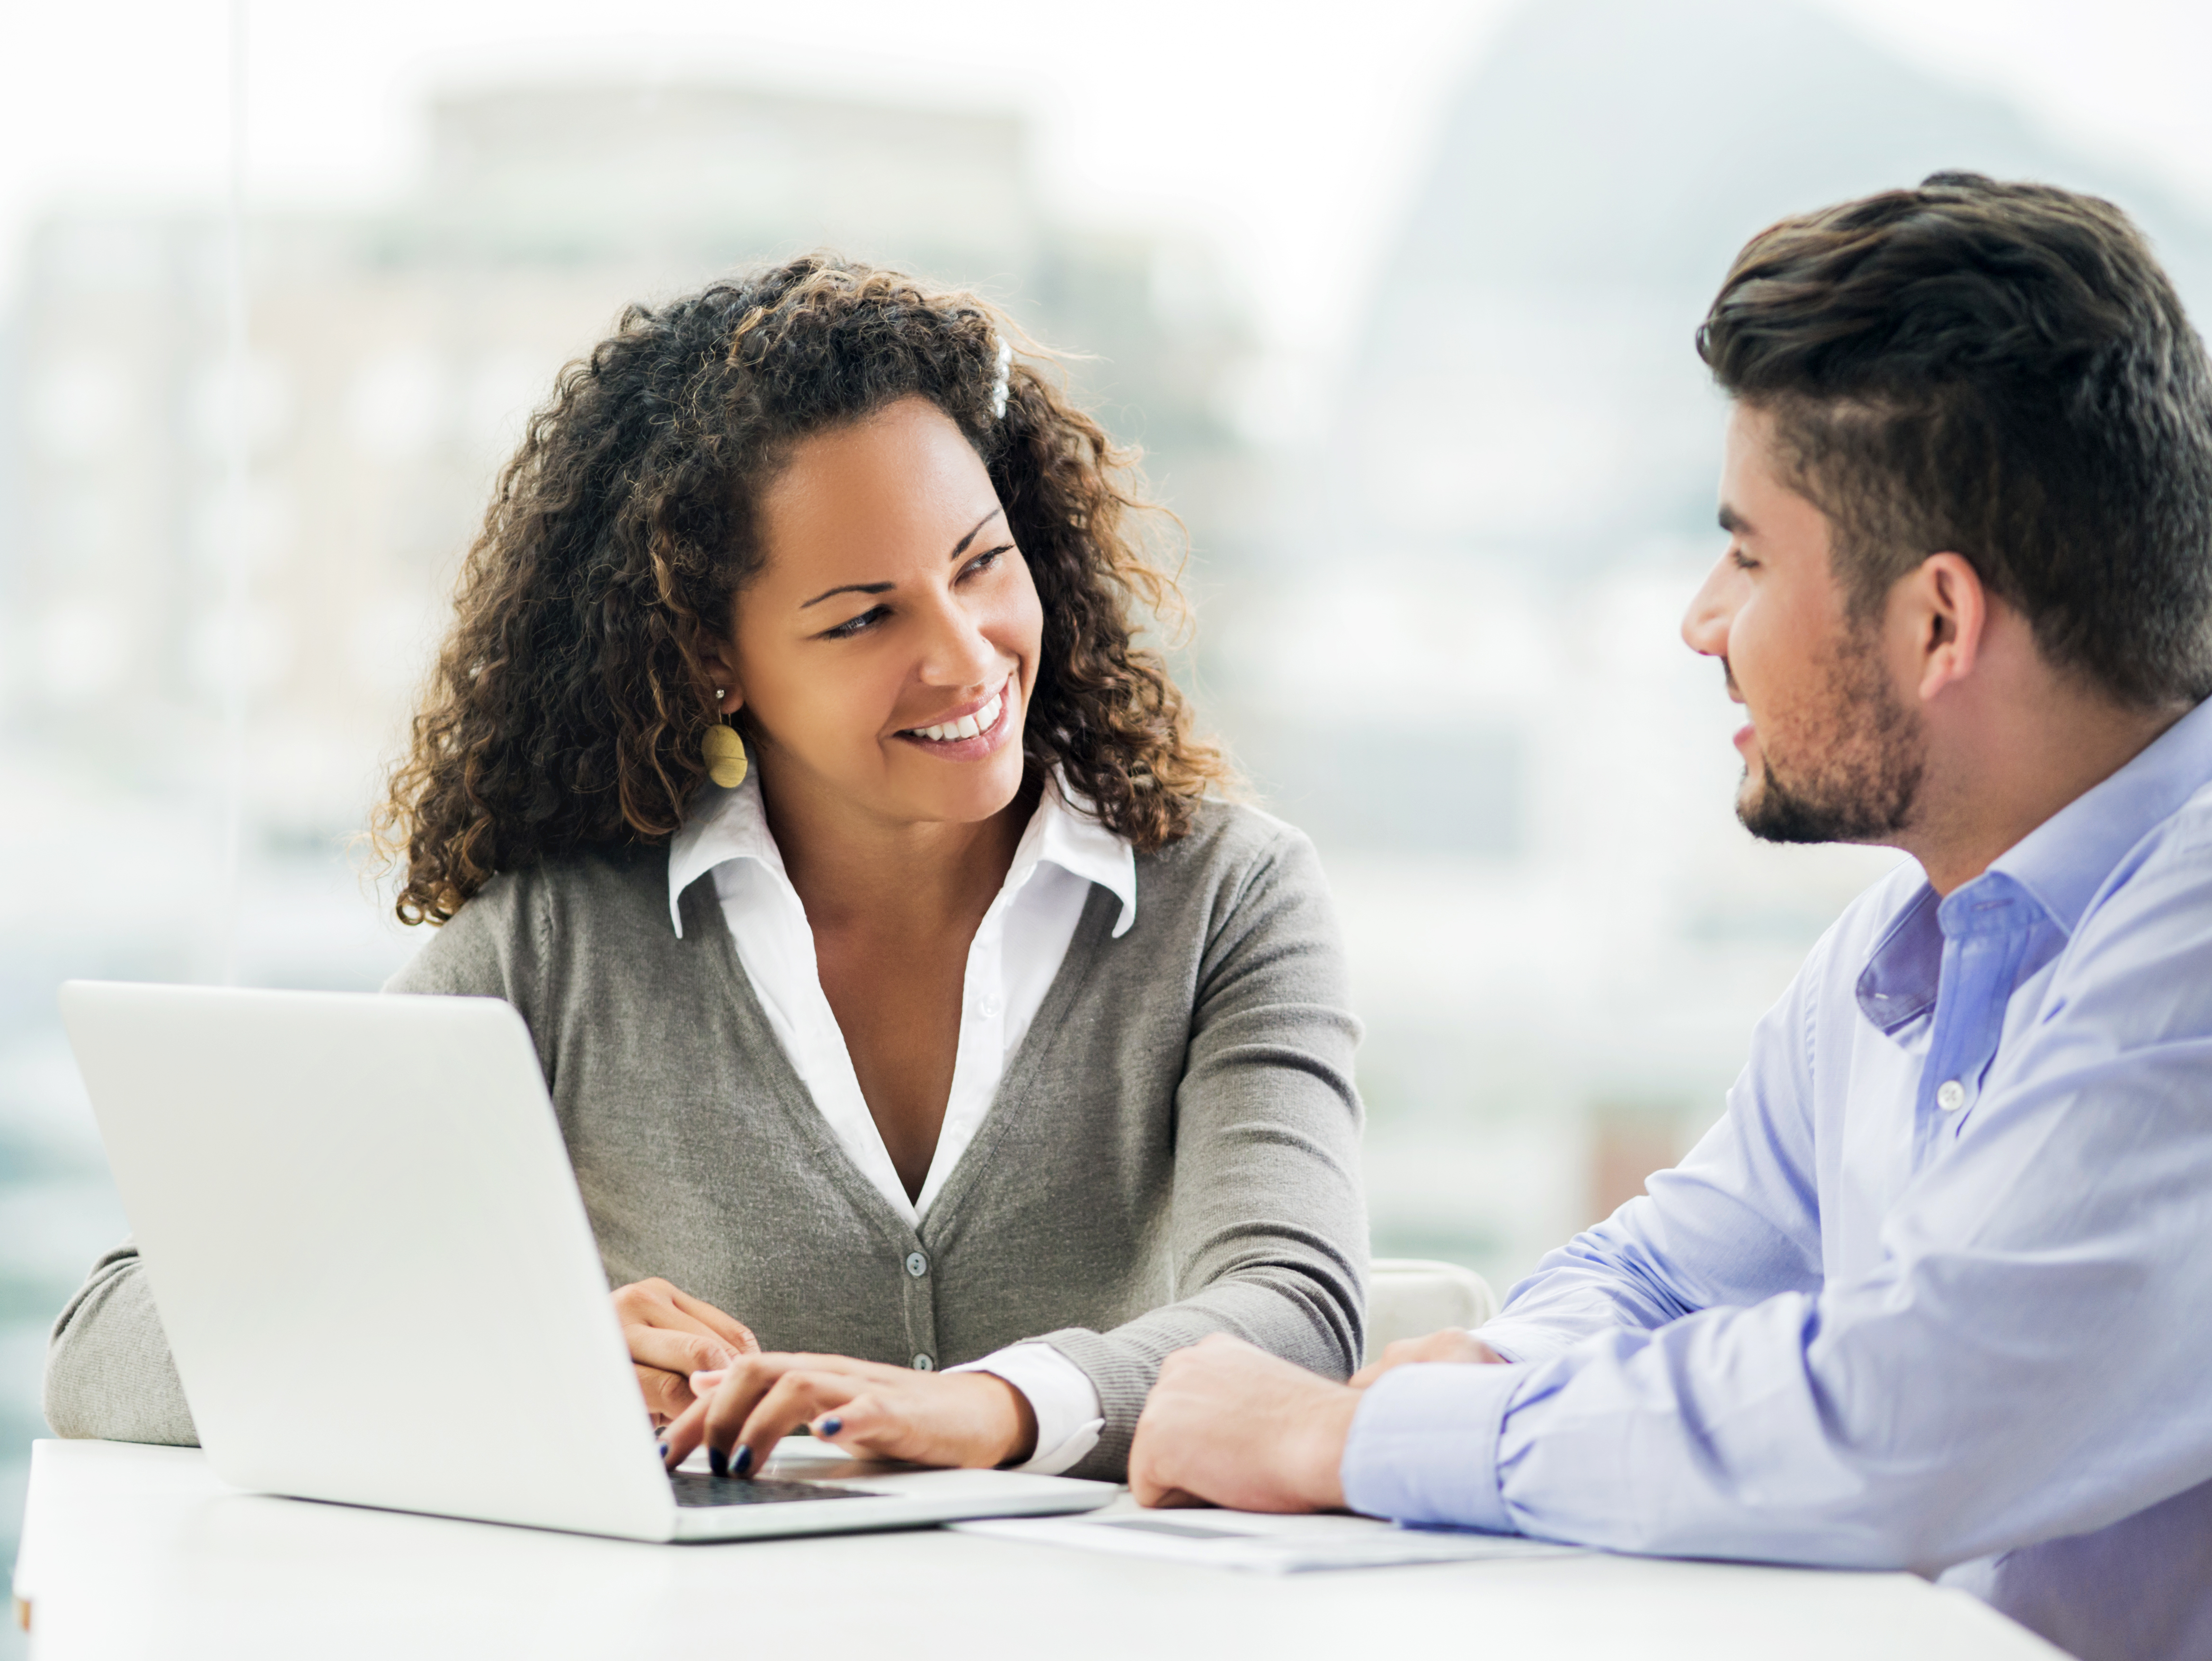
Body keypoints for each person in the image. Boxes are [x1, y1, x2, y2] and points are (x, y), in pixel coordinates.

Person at [44, 255, 1367, 1484]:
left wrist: (990, 1406)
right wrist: (527, 1346)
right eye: (863, 617)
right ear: (712, 658)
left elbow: (1293, 1311)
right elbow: (108, 1344)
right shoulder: (566, 943)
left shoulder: (1226, 899)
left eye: (982, 566)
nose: (966, 655)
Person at [1125, 174, 2212, 1660]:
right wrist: (1465, 1373)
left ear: (1938, 623)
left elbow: (1904, 1415)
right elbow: (1666, 1270)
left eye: (1750, 556)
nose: (1702, 620)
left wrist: (1352, 1444)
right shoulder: (1904, 948)